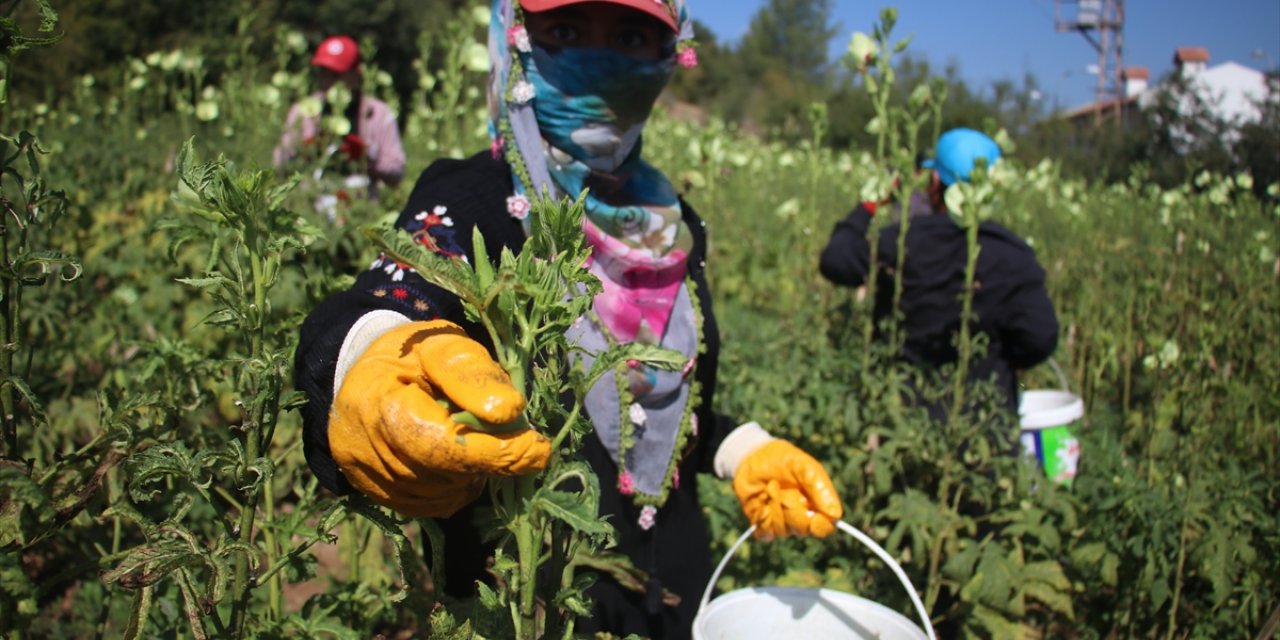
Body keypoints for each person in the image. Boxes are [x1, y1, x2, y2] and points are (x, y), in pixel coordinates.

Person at [293, 1, 844, 638]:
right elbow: (392, 298)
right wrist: (370, 350)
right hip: (530, 600)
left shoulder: (674, 223)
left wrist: (739, 448)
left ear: (669, 55)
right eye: (565, 31)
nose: (600, 59)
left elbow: (664, 408)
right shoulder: (472, 197)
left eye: (633, 35)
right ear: (515, 39)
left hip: (676, 596)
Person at [819, 128, 1059, 421]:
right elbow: (1040, 339)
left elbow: (835, 260)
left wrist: (869, 204)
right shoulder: (1015, 256)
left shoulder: (901, 242)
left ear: (934, 182)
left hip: (900, 419)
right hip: (982, 426)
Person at [273, 35, 406, 212]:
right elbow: (278, 165)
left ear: (356, 74)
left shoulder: (378, 113)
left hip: (359, 208)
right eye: (323, 72)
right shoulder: (303, 110)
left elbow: (397, 172)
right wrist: (301, 148)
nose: (328, 81)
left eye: (336, 75)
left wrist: (368, 155)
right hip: (312, 207)